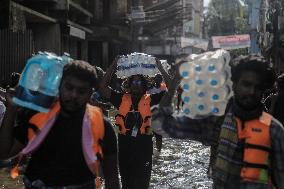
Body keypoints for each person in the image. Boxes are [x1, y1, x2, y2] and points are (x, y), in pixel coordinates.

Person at [151, 54, 284, 189]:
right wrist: (174, 83)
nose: (252, 91)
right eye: (246, 84)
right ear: (234, 84)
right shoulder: (217, 121)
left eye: (258, 87)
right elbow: (160, 123)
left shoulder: (274, 131)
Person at [0, 60, 120, 189]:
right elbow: (4, 152)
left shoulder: (102, 127)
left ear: (90, 94)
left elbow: (112, 178)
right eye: (69, 88)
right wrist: (11, 110)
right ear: (59, 86)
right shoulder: (40, 119)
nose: (73, 95)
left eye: (81, 91)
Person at [99, 57, 171, 189]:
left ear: (144, 85)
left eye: (139, 82)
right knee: (127, 185)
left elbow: (171, 90)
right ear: (129, 84)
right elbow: (103, 87)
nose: (136, 84)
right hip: (124, 152)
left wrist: (160, 68)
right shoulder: (121, 99)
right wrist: (113, 65)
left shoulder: (152, 100)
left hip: (144, 152)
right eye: (133, 81)